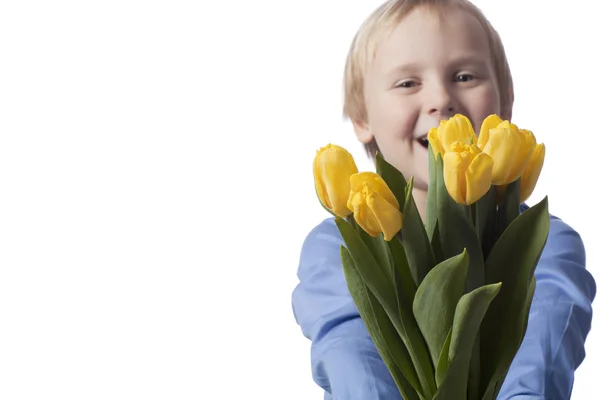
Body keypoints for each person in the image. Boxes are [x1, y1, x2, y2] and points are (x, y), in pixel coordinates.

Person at [291, 0, 597, 399]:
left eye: (465, 76)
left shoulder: (545, 244)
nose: (441, 99)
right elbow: (348, 352)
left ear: (505, 101)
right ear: (362, 117)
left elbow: (543, 349)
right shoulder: (338, 246)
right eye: (407, 83)